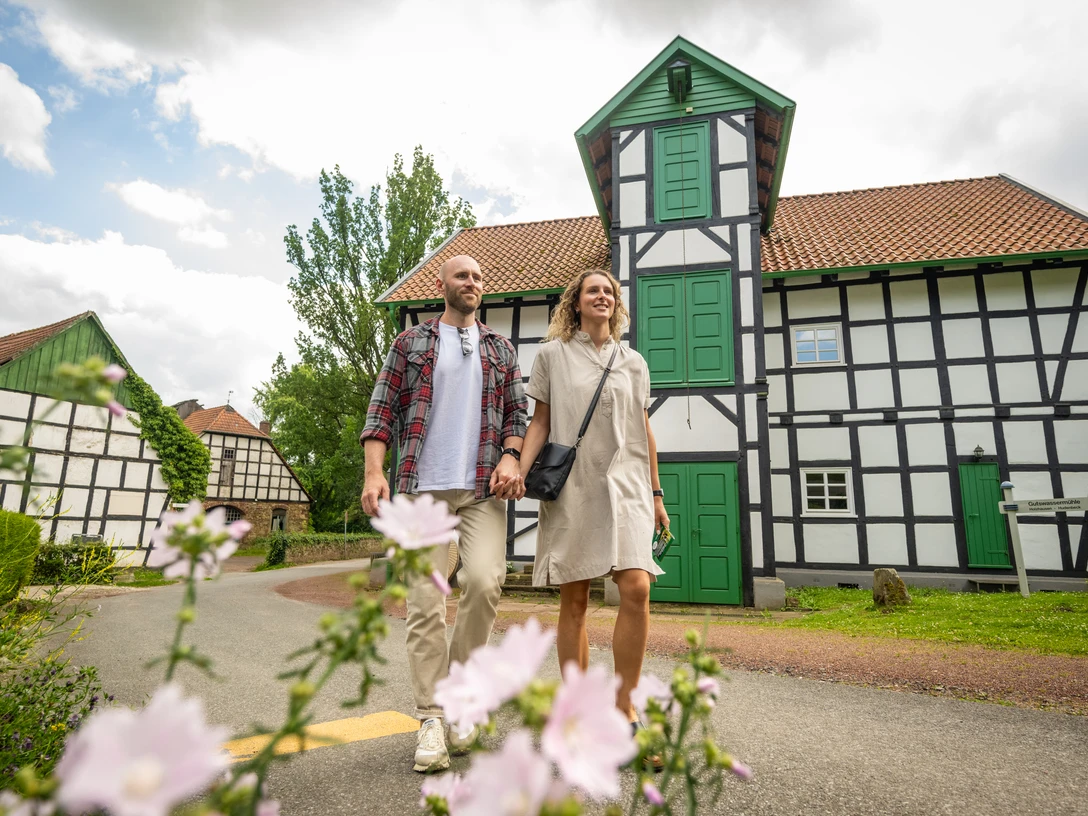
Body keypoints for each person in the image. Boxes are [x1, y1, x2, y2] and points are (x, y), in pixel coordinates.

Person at [360, 254, 526, 773]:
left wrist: (511, 454)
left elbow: (518, 413)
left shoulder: (501, 348)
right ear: (443, 285)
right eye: (463, 276)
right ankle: (433, 716)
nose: (472, 282)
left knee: (485, 582)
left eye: (479, 276)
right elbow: (381, 409)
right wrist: (373, 472)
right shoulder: (410, 343)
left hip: (480, 487)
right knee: (425, 601)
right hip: (420, 488)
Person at [518, 268, 668, 736]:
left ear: (616, 305)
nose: (601, 296)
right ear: (576, 303)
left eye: (609, 291)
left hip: (627, 487)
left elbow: (644, 429)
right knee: (576, 599)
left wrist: (657, 493)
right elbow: (540, 422)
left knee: (637, 588)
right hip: (574, 486)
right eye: (592, 291)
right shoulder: (551, 356)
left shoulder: (634, 361)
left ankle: (624, 707)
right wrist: (517, 474)